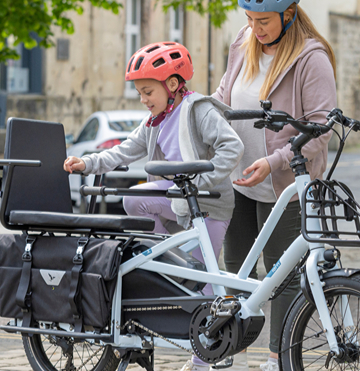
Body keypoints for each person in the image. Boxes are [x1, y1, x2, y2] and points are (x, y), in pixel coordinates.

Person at [158, 0, 337, 371]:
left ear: (289, 14)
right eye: (250, 19)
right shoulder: (244, 44)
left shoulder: (311, 58)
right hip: (236, 183)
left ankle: (279, 367)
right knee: (232, 277)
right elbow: (222, 100)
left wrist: (275, 161)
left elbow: (320, 131)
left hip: (284, 187)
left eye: (264, 21)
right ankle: (213, 362)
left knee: (281, 280)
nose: (255, 28)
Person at [63, 40, 243, 320]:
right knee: (136, 199)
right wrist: (87, 162)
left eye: (147, 91)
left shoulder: (199, 111)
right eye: (139, 93)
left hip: (209, 205)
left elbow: (232, 147)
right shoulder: (154, 122)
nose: (143, 100)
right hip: (179, 200)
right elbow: (123, 150)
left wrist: (201, 184)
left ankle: (204, 358)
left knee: (203, 281)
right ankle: (166, 257)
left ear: (172, 85)